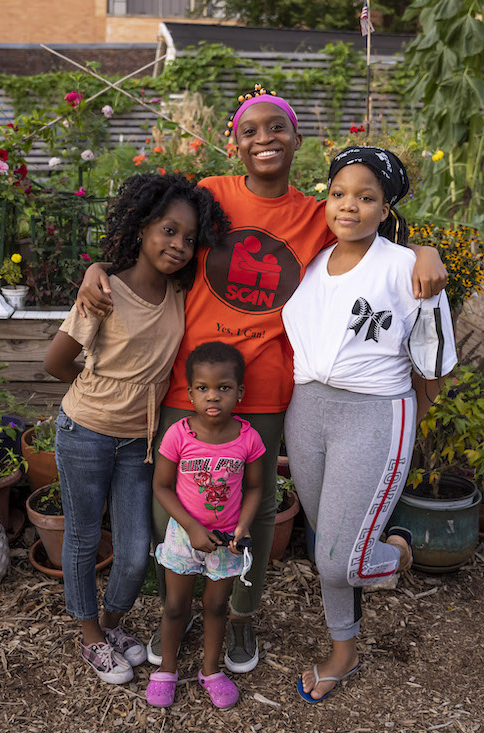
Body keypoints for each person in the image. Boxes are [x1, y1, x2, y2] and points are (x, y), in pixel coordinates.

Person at [78, 86, 449, 674]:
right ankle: (174, 613)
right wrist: (98, 268)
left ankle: (242, 620)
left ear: (297, 138)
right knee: (170, 513)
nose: (264, 139)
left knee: (248, 509)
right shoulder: (210, 198)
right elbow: (153, 243)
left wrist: (423, 247)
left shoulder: (315, 213)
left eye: (277, 127)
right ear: (235, 143)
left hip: (268, 391)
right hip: (190, 385)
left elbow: (371, 243)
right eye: (250, 130)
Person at [282, 146, 457, 702]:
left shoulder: (408, 268)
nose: (349, 206)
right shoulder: (309, 265)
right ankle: (345, 650)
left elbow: (433, 365)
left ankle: (400, 551)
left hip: (374, 414)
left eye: (366, 197)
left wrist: (405, 427)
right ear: (325, 200)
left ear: (386, 209)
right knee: (325, 548)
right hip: (306, 412)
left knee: (341, 559)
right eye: (338, 194)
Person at [43, 173, 229, 684]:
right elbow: (56, 362)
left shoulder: (178, 292)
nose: (179, 245)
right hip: (85, 431)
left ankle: (110, 625)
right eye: (169, 231)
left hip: (138, 443)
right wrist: (95, 270)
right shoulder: (104, 292)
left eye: (190, 239)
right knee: (83, 537)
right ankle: (89, 638)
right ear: (143, 226)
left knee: (132, 551)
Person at [146, 342, 265, 709]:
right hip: (185, 534)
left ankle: (211, 671)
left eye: (223, 388)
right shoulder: (178, 435)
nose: (213, 396)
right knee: (175, 606)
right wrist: (193, 528)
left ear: (239, 393)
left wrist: (244, 525)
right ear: (190, 392)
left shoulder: (249, 438)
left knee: (216, 607)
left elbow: (256, 487)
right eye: (203, 388)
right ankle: (166, 669)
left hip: (228, 538)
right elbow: (161, 486)